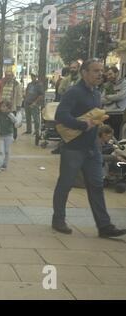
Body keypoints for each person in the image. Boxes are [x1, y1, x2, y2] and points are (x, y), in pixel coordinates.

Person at [52, 59, 126, 238]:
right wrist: (83, 125)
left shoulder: (96, 93)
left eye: (101, 70)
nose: (100, 74)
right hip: (74, 148)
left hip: (93, 148)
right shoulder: (73, 92)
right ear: (84, 73)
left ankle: (104, 226)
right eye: (95, 71)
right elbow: (60, 115)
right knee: (65, 184)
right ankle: (58, 219)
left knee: (97, 185)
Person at [0, 100, 19, 173]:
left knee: (6, 151)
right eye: (1, 106)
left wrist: (17, 124)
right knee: (1, 151)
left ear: (8, 108)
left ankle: (4, 165)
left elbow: (16, 122)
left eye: (4, 106)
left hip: (9, 136)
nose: (2, 108)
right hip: (1, 136)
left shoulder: (10, 115)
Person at [0, 70, 23, 140]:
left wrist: (18, 106)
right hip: (3, 106)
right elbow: (1, 93)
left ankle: (13, 135)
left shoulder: (16, 84)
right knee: (2, 121)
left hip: (12, 106)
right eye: (6, 75)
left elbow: (19, 96)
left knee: (12, 121)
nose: (8, 77)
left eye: (9, 75)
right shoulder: (3, 83)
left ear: (12, 76)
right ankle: (3, 134)